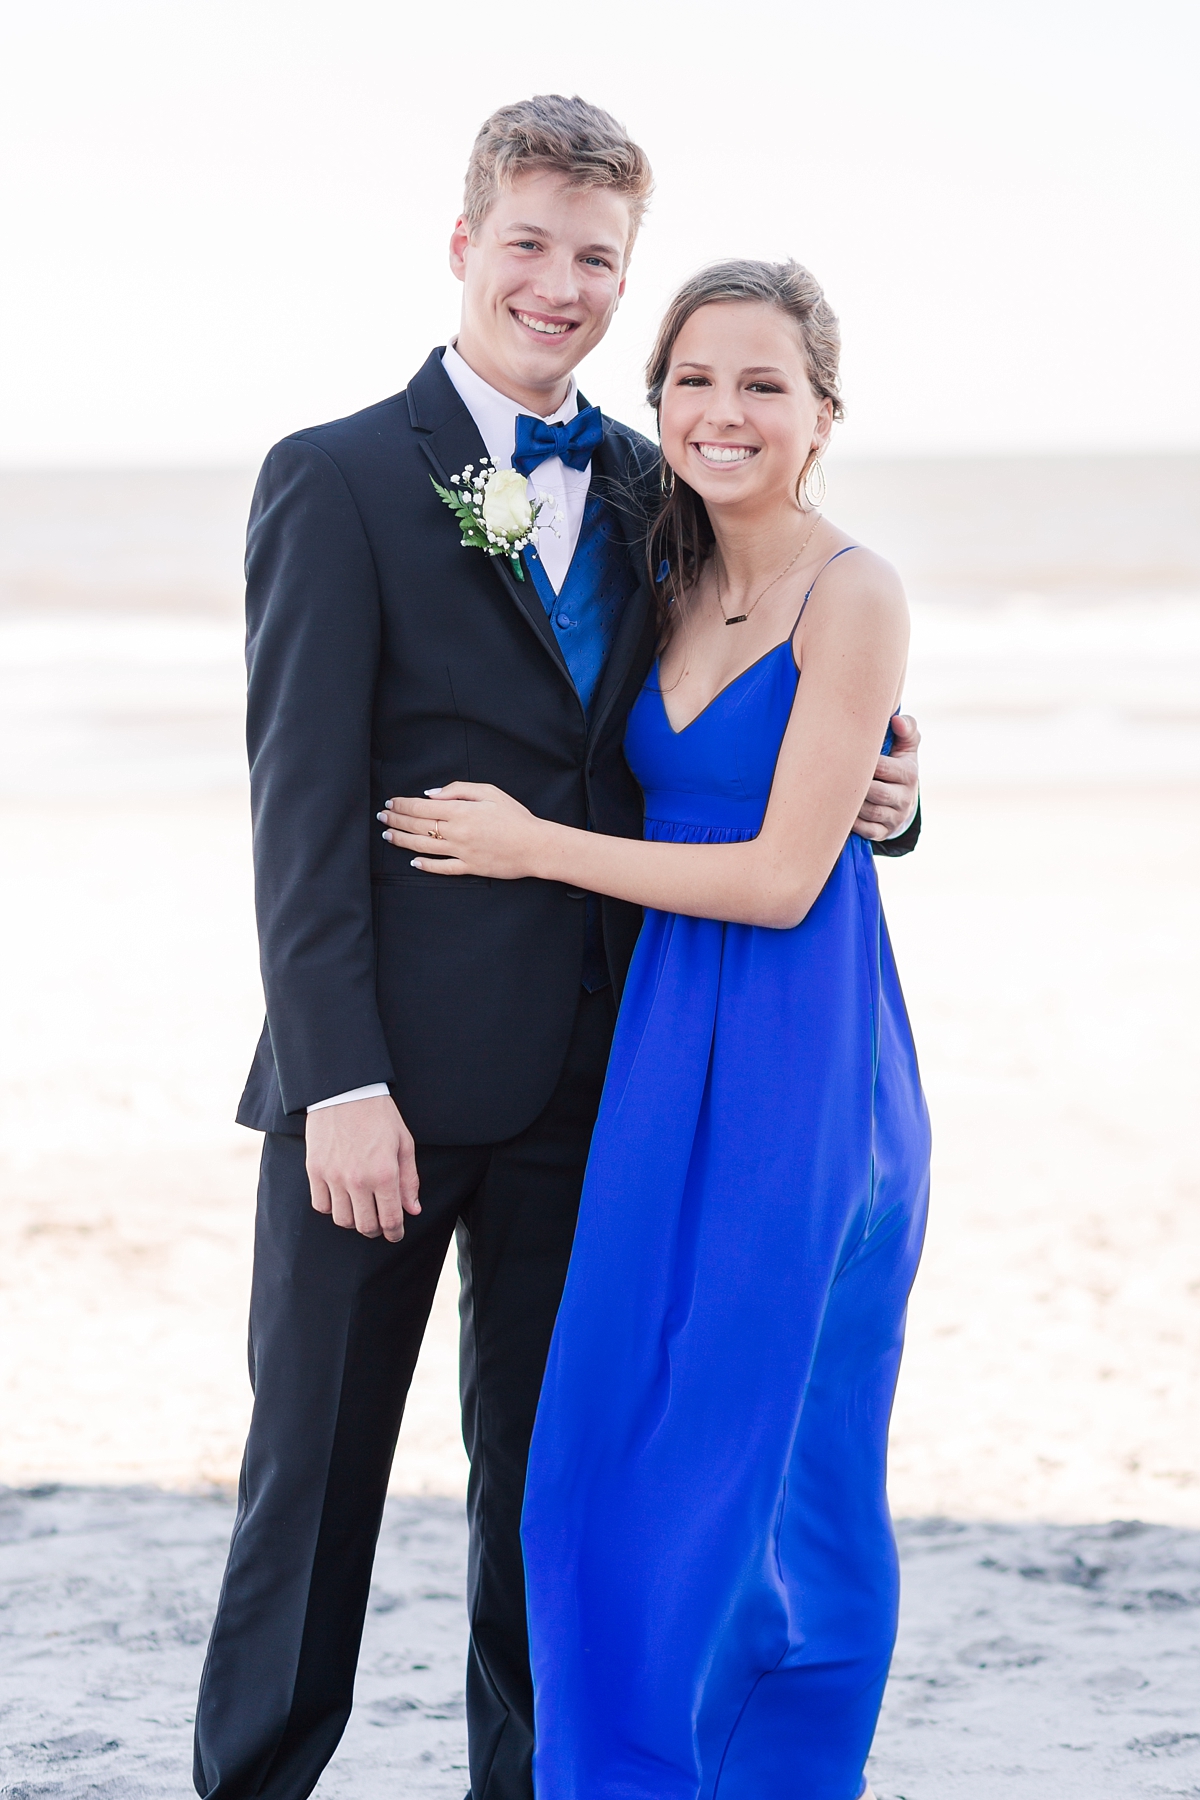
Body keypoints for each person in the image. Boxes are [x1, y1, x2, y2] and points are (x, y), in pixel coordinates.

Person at [193, 95, 922, 1800]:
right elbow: (294, 813)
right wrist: (340, 1082)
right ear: (465, 246)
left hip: (601, 1086)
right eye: (528, 244)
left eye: (596, 259)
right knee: (312, 1491)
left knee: (547, 1493)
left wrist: (895, 792)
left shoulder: (649, 484)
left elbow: (766, 714)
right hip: (379, 1089)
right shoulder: (340, 476)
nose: (560, 285)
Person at [378, 258, 931, 1800]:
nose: (724, 410)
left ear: (825, 414)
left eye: (765, 384)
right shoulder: (654, 557)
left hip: (798, 1059)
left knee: (777, 1464)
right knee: (598, 1457)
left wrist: (528, 846)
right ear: (658, 399)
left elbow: (772, 877)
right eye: (694, 378)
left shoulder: (855, 589)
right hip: (655, 1044)